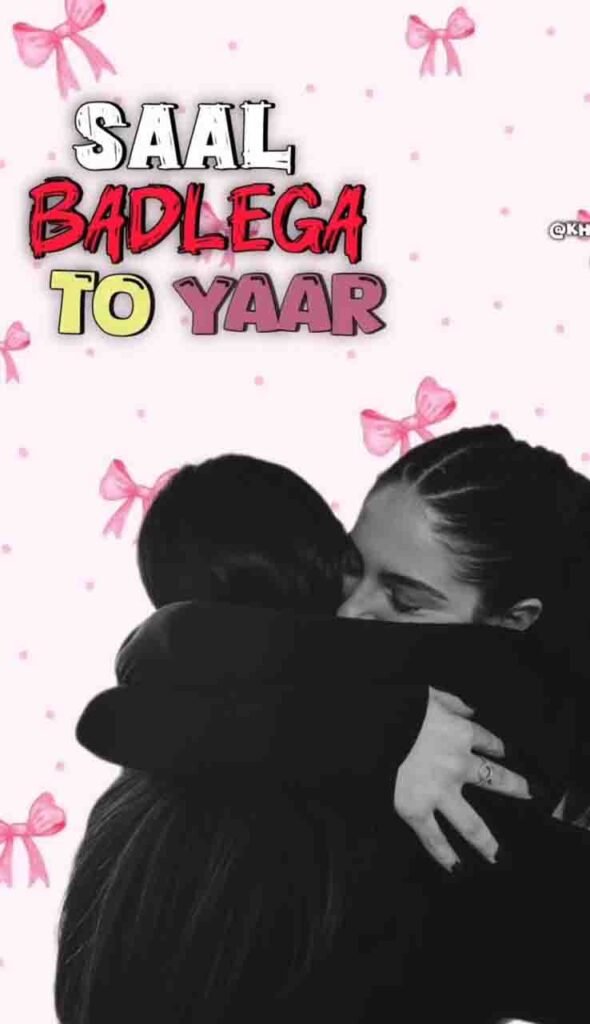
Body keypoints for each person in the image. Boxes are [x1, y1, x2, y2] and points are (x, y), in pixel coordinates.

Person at [64, 450, 589, 1022]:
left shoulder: (151, 782)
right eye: (347, 568)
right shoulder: (207, 754)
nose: (350, 612)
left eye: (406, 600)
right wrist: (373, 727)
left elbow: (144, 675)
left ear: (514, 624)